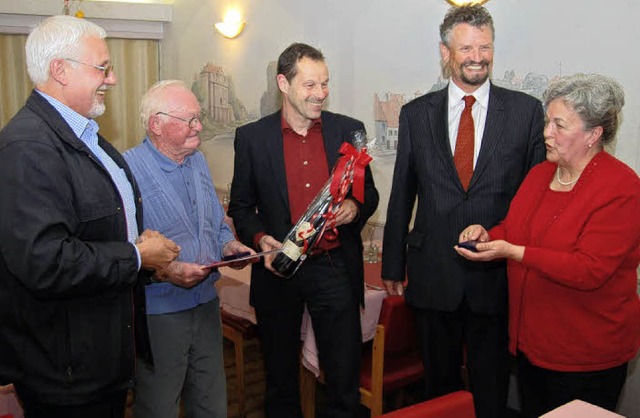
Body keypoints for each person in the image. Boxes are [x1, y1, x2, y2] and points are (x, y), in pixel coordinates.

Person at [0, 15, 180, 418]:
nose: (112, 79)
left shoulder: (86, 136)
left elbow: (94, 229)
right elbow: (43, 260)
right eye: (103, 67)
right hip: (65, 372)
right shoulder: (28, 147)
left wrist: (138, 246)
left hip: (98, 357)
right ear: (59, 70)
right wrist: (135, 256)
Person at [381, 5, 545, 418]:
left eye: (485, 46)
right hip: (432, 272)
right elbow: (402, 193)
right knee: (439, 388)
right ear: (445, 51)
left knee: (492, 387)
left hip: (496, 277)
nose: (477, 56)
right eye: (467, 47)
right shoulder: (415, 114)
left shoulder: (526, 113)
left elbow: (534, 200)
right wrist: (391, 264)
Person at [456, 73, 640, 417]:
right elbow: (513, 228)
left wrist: (514, 252)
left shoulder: (621, 188)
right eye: (547, 122)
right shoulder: (541, 174)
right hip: (532, 346)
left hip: (586, 355)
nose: (546, 134)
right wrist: (488, 234)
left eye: (559, 125)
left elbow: (589, 270)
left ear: (593, 134)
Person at [227, 43, 379, 418]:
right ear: (284, 83)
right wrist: (261, 239)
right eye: (310, 85)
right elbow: (242, 209)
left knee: (343, 380)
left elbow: (370, 194)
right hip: (278, 272)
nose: (320, 94)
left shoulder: (349, 130)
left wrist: (355, 207)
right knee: (279, 380)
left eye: (325, 84)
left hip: (333, 267)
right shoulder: (252, 138)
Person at [123, 80, 254, 418]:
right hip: (158, 314)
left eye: (199, 117)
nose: (199, 126)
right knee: (159, 407)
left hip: (207, 305)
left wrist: (230, 246)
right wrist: (167, 271)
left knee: (211, 404)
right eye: (190, 120)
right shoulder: (127, 171)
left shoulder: (196, 160)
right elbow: (124, 249)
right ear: (157, 124)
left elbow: (215, 222)